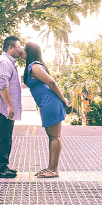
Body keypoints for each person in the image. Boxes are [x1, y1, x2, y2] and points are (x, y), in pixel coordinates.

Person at [23, 42, 71, 178]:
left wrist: (63, 99)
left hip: (51, 103)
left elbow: (51, 83)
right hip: (47, 103)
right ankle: (51, 167)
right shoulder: (32, 66)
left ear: (30, 52)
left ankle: (54, 170)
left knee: (55, 137)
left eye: (24, 50)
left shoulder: (35, 66)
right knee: (52, 136)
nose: (22, 52)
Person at [0, 36, 24, 178]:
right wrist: (10, 106)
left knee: (5, 138)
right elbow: (2, 85)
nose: (20, 51)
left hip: (2, 108)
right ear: (10, 48)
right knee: (2, 138)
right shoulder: (4, 62)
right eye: (18, 47)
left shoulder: (7, 62)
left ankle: (3, 166)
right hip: (1, 108)